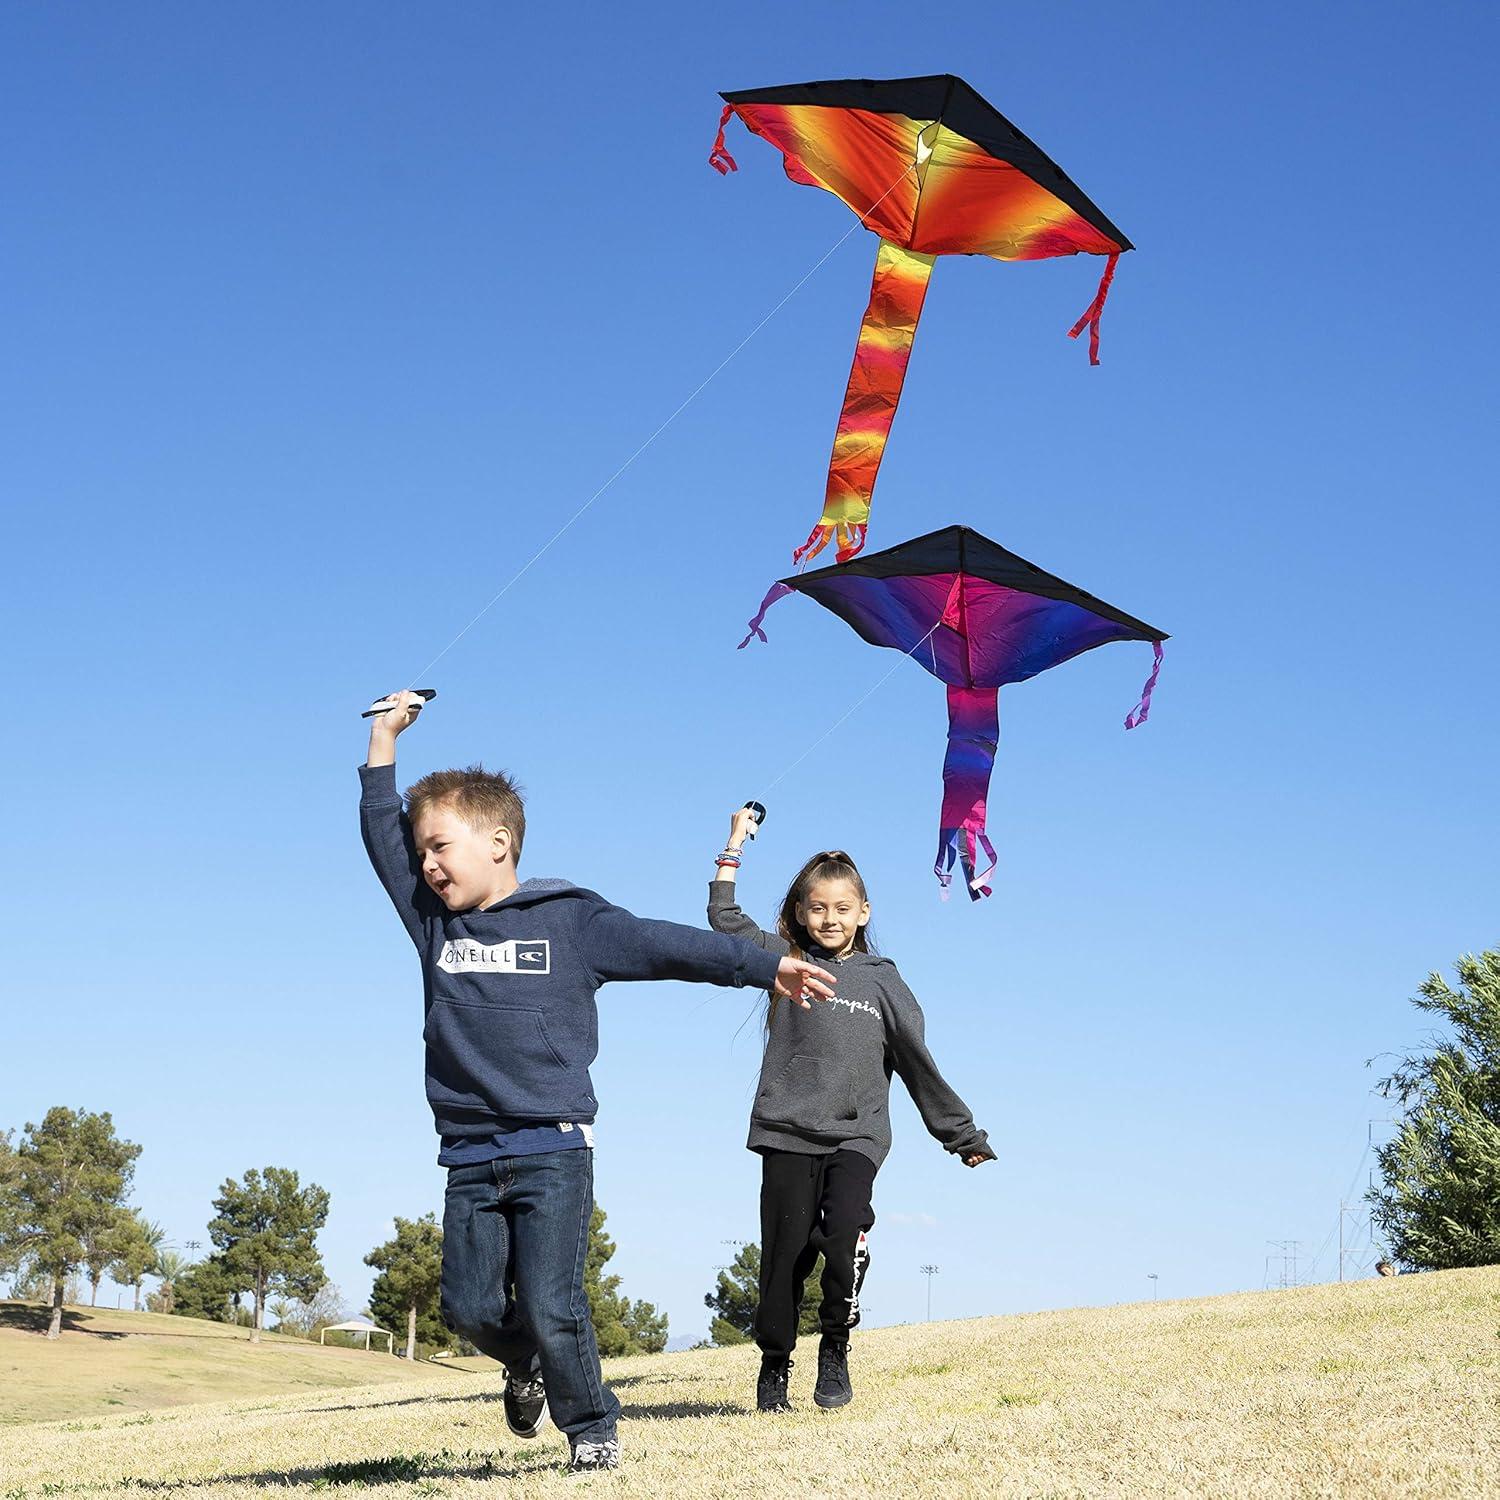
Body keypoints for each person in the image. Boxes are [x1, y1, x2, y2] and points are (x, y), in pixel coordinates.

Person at [358, 693, 837, 1472]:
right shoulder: (433, 923)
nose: (427, 865)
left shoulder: (572, 922)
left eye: (440, 846)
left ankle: (592, 1433)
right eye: (421, 854)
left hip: (552, 1148)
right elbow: (382, 837)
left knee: (554, 1302)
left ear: (500, 842)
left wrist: (765, 964)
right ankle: (525, 1363)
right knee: (471, 1307)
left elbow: (669, 945)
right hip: (469, 1154)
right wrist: (383, 742)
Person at [707, 805, 994, 1413]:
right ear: (800, 914)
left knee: (842, 1233)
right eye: (817, 907)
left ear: (864, 913)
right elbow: (725, 920)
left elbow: (918, 1060)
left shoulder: (883, 981)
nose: (829, 918)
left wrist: (959, 1133)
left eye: (842, 908)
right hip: (786, 1131)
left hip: (856, 1136)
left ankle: (834, 1349)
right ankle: (775, 1366)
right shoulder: (786, 965)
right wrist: (734, 844)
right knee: (784, 1258)